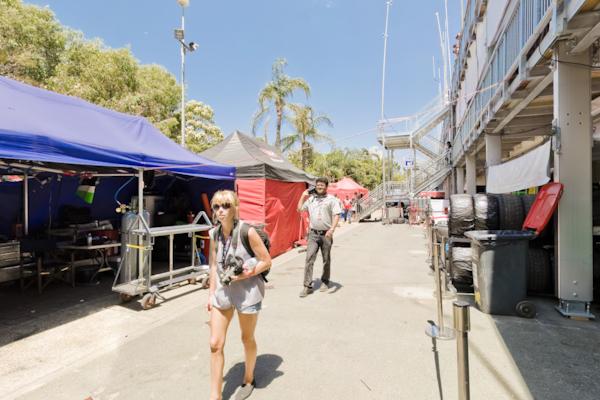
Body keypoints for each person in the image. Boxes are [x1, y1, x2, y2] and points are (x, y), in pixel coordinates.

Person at [207, 190, 272, 400]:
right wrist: (211, 294)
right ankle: (215, 396)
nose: (221, 210)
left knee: (246, 338)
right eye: (216, 206)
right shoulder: (213, 234)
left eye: (226, 205)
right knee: (215, 344)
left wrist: (245, 274)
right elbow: (213, 265)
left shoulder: (247, 231)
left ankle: (249, 378)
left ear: (235, 207)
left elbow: (266, 261)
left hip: (247, 293)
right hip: (222, 293)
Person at [297, 177, 342, 297]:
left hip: (326, 234)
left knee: (326, 259)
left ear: (326, 187)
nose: (319, 187)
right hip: (313, 234)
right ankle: (307, 286)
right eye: (318, 185)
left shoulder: (332, 199)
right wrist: (303, 196)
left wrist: (332, 229)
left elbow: (336, 215)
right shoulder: (311, 199)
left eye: (322, 185)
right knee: (309, 258)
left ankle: (325, 281)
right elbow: (299, 209)